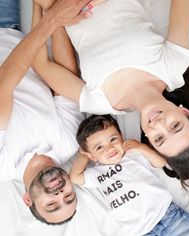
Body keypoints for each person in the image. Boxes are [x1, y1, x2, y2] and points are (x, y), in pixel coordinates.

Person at [32, 0, 189, 187]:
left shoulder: (100, 102)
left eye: (159, 139)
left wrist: (45, 10)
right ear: (185, 113)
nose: (158, 124)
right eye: (175, 126)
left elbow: (42, 64)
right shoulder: (172, 65)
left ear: (148, 139)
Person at [0, 0, 96, 225]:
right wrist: (45, 6)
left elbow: (3, 84)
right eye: (69, 197)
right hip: (8, 27)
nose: (59, 195)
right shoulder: (69, 142)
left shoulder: (3, 165)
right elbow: (64, 74)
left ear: (27, 200)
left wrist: (52, 19)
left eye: (51, 204)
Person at [69, 114, 189, 236]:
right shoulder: (96, 174)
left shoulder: (133, 154)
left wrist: (142, 148)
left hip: (168, 216)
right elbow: (74, 177)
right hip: (141, 232)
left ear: (121, 137)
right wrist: (85, 154)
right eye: (99, 147)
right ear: (92, 155)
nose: (109, 148)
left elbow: (160, 163)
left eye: (113, 139)